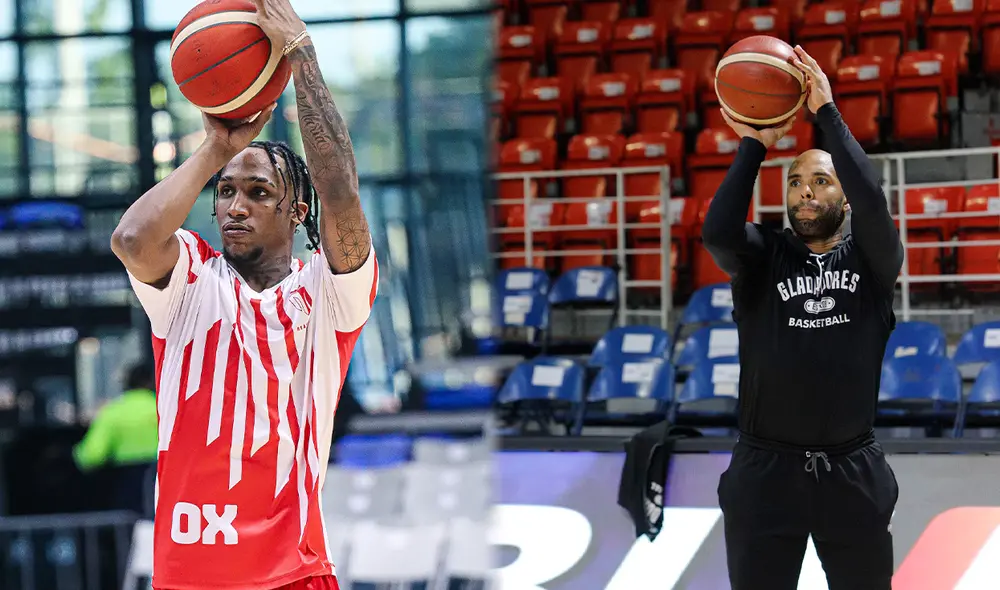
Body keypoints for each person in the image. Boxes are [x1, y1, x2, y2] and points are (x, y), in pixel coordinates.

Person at [110, 1, 377, 588]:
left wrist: (302, 57)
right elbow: (131, 238)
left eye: (259, 192)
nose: (235, 205)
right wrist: (215, 150)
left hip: (293, 576)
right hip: (189, 576)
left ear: (297, 208)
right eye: (226, 191)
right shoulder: (191, 284)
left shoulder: (328, 296)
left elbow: (340, 195)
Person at [701, 46, 904, 590]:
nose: (805, 191)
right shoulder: (763, 255)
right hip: (765, 473)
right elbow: (718, 232)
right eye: (794, 182)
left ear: (845, 196)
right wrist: (754, 145)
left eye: (820, 180)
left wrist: (827, 114)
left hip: (851, 470)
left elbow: (875, 199)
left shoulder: (872, 260)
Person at [74, 363, 158, 472]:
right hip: (163, 480)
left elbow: (93, 455)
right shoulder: (163, 410)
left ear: (126, 384)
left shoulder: (112, 412)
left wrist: (75, 454)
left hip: (126, 481)